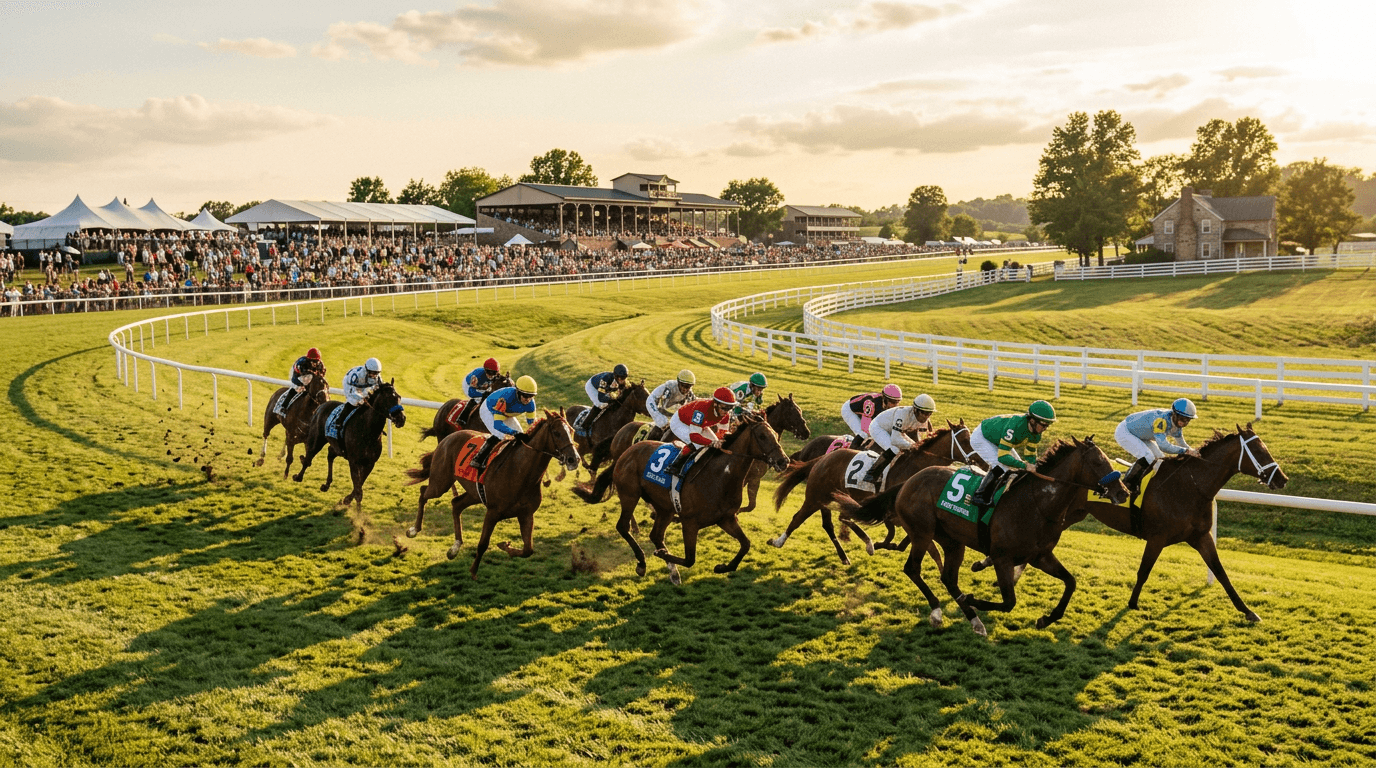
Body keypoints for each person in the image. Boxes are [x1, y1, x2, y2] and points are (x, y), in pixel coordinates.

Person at [968, 400, 1056, 508]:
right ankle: (979, 496)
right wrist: (1025, 465)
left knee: (1017, 469)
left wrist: (1032, 465)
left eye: (1048, 425)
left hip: (998, 440)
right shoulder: (1014, 427)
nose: (1045, 428)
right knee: (1002, 466)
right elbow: (1003, 457)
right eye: (1043, 424)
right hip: (982, 437)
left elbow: (1030, 455)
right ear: (1032, 421)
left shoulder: (1036, 434)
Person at [1116, 398, 1199, 494]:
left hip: (1140, 435)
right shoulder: (1161, 421)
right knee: (1149, 457)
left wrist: (1194, 452)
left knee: (1161, 460)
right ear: (1175, 414)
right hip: (1125, 432)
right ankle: (1126, 485)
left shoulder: (1176, 425)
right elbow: (1163, 446)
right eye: (1182, 419)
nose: (1184, 423)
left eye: (1188, 420)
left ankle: (1153, 485)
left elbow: (1181, 443)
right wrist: (1184, 451)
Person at [863, 393, 937, 486]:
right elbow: (895, 439)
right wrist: (910, 446)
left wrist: (916, 445)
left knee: (916, 448)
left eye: (929, 413)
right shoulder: (902, 414)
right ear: (915, 410)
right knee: (895, 449)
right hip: (878, 427)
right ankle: (871, 475)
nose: (926, 417)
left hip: (897, 430)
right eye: (924, 413)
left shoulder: (924, 419)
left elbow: (920, 438)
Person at [665, 387, 736, 478]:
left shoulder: (726, 415)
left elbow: (722, 433)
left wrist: (719, 442)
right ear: (715, 403)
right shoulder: (702, 408)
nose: (726, 411)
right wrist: (712, 442)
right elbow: (694, 437)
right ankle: (674, 466)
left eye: (730, 407)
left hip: (700, 425)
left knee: (716, 446)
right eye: (724, 407)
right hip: (680, 422)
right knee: (697, 444)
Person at [472, 375, 539, 471]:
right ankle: (478, 459)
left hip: (506, 413)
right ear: (518, 392)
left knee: (522, 436)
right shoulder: (505, 398)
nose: (528, 399)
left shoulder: (531, 404)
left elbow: (532, 424)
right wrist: (514, 433)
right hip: (489, 410)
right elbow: (498, 424)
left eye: (531, 396)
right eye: (525, 395)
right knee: (500, 435)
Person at [841, 384, 902, 449]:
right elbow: (865, 427)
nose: (895, 405)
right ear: (885, 399)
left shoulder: (886, 405)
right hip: (849, 410)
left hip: (866, 410)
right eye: (893, 402)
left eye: (897, 402)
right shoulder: (871, 403)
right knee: (863, 433)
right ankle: (851, 450)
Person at [336, 357, 383, 431]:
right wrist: (361, 398)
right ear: (367, 370)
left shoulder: (378, 378)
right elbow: (353, 392)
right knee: (354, 401)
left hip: (363, 386)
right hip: (350, 385)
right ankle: (339, 421)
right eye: (372, 373)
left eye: (376, 373)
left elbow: (378, 390)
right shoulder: (357, 375)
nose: (374, 376)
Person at [579, 363, 630, 432]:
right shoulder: (605, 379)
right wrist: (612, 398)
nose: (622, 381)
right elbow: (601, 397)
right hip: (592, 386)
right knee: (600, 404)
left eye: (624, 378)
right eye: (621, 378)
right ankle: (585, 425)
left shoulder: (622, 380)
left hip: (605, 389)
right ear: (616, 376)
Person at [278, 347, 326, 416]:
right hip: (297, 375)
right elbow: (304, 378)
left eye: (316, 361)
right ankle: (283, 406)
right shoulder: (302, 363)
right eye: (312, 361)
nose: (314, 363)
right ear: (308, 359)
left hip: (309, 375)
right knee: (297, 388)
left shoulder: (321, 365)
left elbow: (321, 376)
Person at [459, 357, 502, 422]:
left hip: (481, 386)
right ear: (485, 370)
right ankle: (462, 418)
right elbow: (471, 393)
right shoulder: (477, 375)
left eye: (493, 373)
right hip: (469, 386)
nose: (491, 375)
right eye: (489, 372)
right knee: (478, 398)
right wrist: (483, 394)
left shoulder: (496, 376)